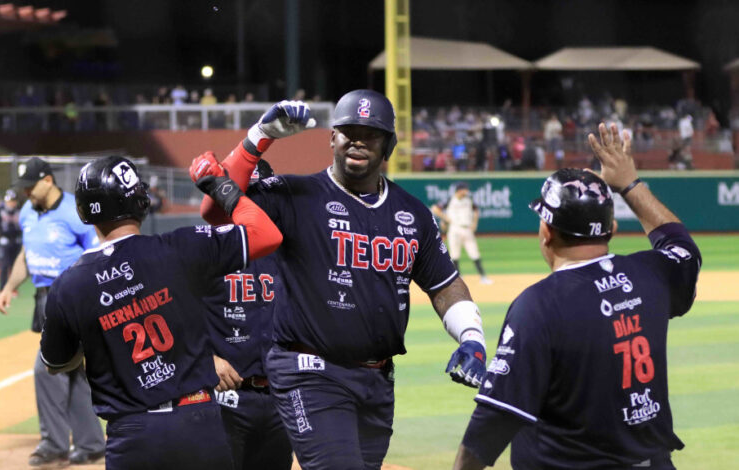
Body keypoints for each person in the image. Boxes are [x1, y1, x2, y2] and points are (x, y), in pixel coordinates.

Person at [192, 90, 489, 470]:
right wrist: (258, 137)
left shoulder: (412, 215)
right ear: (332, 138)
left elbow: (444, 284)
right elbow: (215, 212)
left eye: (371, 133)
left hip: (377, 380)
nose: (357, 140)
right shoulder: (293, 195)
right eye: (348, 131)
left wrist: (472, 338)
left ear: (389, 145)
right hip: (309, 371)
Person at [453, 123, 701, 470]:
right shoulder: (650, 275)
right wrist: (630, 184)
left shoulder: (538, 305)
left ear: (546, 231)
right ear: (611, 230)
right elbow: (682, 247)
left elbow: (491, 426)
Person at [39, 156, 282, 470]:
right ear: (142, 201)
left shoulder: (68, 286)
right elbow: (267, 234)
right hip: (199, 421)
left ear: (84, 211)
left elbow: (56, 363)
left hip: (132, 435)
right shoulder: (181, 247)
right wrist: (220, 183)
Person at [0, 157, 106, 467]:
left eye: (30, 185)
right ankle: (92, 444)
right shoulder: (28, 212)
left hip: (71, 299)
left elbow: (97, 252)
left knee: (46, 367)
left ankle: (54, 446)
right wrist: (8, 287)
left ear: (48, 180)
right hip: (43, 298)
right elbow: (26, 255)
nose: (26, 192)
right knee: (72, 375)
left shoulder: (75, 211)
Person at [206, 160, 293, 470]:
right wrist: (207, 360)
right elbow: (176, 317)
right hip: (224, 399)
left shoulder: (291, 251)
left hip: (281, 398)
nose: (251, 205)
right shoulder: (206, 249)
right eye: (244, 196)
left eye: (259, 196)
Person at [430, 182, 491, 283]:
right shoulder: (450, 200)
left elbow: (476, 210)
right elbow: (435, 208)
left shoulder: (469, 200)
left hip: (467, 229)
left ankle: (483, 277)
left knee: (474, 252)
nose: (467, 191)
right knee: (455, 254)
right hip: (455, 228)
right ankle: (458, 278)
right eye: (465, 189)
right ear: (459, 190)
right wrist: (445, 218)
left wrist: (474, 223)